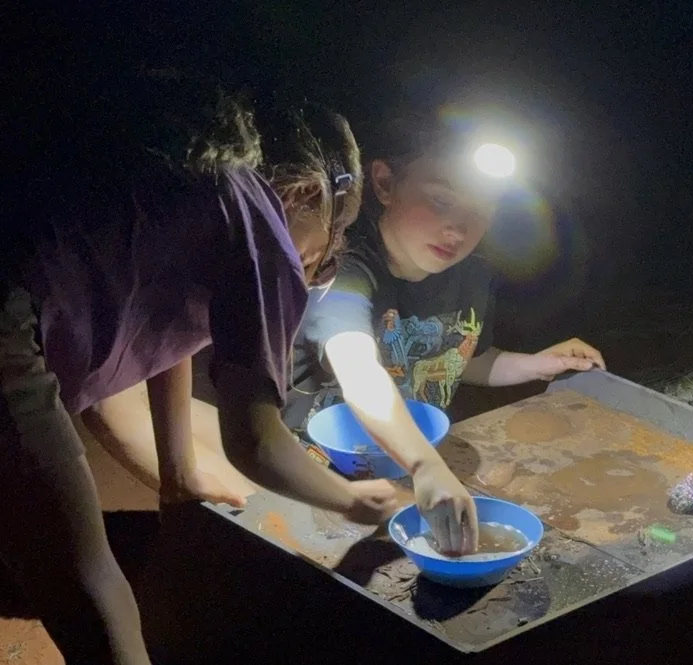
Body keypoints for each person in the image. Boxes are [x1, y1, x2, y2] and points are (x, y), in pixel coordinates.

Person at [0, 76, 401, 664]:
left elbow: (169, 335)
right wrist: (349, 499)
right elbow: (256, 442)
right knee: (88, 580)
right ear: (304, 193)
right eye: (334, 235)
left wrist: (179, 471)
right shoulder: (263, 225)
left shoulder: (201, 191)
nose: (322, 260)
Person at [282, 111, 607, 552]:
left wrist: (535, 364)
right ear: (384, 184)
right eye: (439, 200)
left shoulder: (471, 274)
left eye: (480, 210)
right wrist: (425, 464)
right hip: (316, 481)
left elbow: (462, 359)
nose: (458, 228)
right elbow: (359, 370)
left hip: (413, 478)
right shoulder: (344, 269)